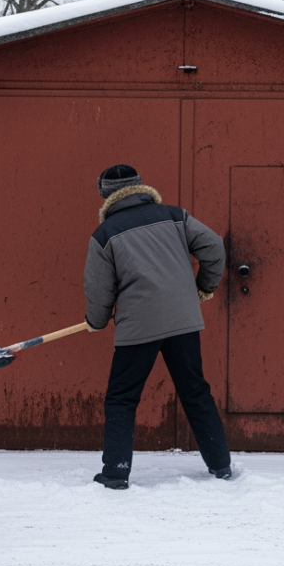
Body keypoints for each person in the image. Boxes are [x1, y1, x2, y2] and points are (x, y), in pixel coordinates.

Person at [83, 164, 232, 489]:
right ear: (139, 187)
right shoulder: (175, 216)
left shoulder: (105, 234)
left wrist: (96, 320)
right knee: (195, 391)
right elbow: (214, 247)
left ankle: (115, 473)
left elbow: (98, 289)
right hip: (183, 320)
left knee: (122, 398)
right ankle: (221, 465)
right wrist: (203, 287)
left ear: (106, 196)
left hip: (138, 325)